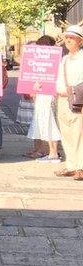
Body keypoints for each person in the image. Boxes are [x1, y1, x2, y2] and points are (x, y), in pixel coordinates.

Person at [25, 35, 61, 162]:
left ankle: (53, 152)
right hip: (42, 94)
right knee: (43, 121)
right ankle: (49, 151)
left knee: (49, 121)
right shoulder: (47, 60)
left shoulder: (54, 60)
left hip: (48, 95)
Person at [55, 25, 83, 180]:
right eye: (67, 38)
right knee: (66, 134)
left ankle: (81, 166)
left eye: (72, 38)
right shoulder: (65, 59)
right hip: (62, 99)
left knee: (79, 133)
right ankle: (71, 165)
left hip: (77, 100)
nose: (68, 40)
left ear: (79, 41)